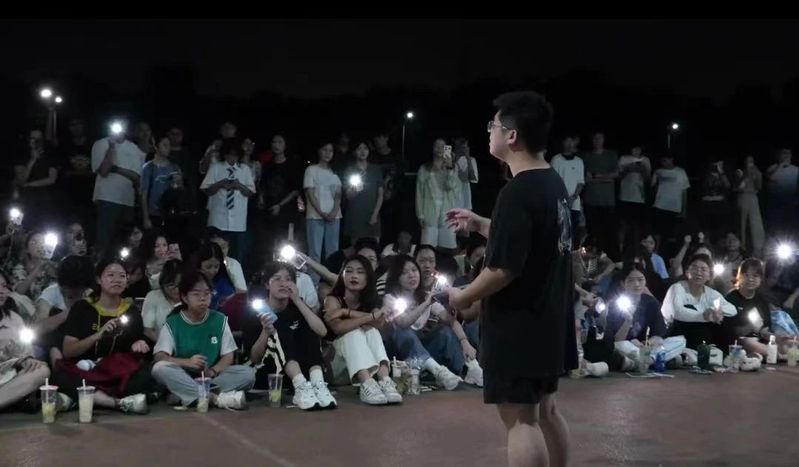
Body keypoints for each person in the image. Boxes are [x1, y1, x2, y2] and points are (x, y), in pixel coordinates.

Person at [447, 91, 575, 467]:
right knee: (547, 410)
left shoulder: (516, 192)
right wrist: (481, 224)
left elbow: (503, 269)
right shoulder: (552, 183)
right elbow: (536, 241)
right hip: (550, 319)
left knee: (520, 419)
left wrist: (463, 297)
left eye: (494, 125)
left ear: (512, 136)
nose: (489, 131)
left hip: (520, 323)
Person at [51, 258, 154, 414]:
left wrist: (138, 346)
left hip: (115, 371)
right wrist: (98, 335)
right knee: (59, 376)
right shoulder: (82, 308)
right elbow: (68, 351)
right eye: (111, 275)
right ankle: (116, 403)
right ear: (99, 279)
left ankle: (79, 399)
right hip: (84, 370)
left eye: (122, 276)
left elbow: (135, 347)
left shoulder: (131, 311)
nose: (117, 280)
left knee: (144, 375)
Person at [152, 270, 252, 410]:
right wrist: (187, 362)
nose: (203, 298)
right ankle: (215, 398)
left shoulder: (219, 319)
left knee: (247, 374)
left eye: (207, 293)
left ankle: (186, 394)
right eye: (196, 294)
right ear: (184, 297)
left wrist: (212, 371)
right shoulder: (173, 322)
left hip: (210, 377)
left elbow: (228, 355)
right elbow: (160, 357)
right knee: (159, 368)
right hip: (183, 374)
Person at [244, 262, 336, 410]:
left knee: (308, 328)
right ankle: (300, 387)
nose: (283, 283)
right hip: (269, 373)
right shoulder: (255, 310)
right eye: (277, 279)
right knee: (280, 327)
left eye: (288, 279)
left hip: (301, 369)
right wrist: (266, 331)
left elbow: (322, 331)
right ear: (267, 285)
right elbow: (254, 358)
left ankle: (318, 384)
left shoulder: (297, 306)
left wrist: (298, 301)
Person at [382, 255, 482, 388]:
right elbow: (403, 322)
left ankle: (469, 368)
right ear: (396, 278)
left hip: (423, 355)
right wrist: (427, 303)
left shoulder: (425, 296)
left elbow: (450, 320)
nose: (411, 275)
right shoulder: (390, 298)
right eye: (404, 273)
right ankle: (437, 371)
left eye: (414, 270)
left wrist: (465, 342)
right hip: (400, 357)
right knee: (403, 331)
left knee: (444, 331)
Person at [323, 255, 403, 405]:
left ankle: (385, 381)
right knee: (353, 333)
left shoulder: (372, 300)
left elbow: (378, 324)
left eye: (360, 272)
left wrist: (346, 312)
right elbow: (338, 327)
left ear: (368, 278)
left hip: (366, 367)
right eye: (349, 271)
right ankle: (367, 385)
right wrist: (370, 317)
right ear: (342, 275)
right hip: (335, 368)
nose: (354, 276)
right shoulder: (332, 299)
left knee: (372, 332)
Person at [91, 121, 146, 257]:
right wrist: (111, 147)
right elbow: (104, 171)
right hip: (106, 198)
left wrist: (116, 169)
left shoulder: (134, 148)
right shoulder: (100, 144)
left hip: (127, 201)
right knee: (104, 240)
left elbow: (138, 177)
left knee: (126, 241)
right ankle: (101, 265)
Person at [0, 268, 51, 411]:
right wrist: (8, 357)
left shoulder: (14, 319)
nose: (1, 291)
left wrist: (26, 359)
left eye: (4, 286)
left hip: (7, 377)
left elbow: (27, 353)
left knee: (41, 370)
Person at [661, 254, 737, 349]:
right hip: (673, 334)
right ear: (687, 272)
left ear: (709, 276)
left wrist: (714, 311)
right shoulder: (676, 288)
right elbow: (677, 312)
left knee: (724, 319)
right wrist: (704, 316)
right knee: (690, 308)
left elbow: (732, 309)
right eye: (694, 268)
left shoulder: (711, 293)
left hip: (701, 335)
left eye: (703, 270)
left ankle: (726, 353)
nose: (698, 272)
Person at [200, 140, 256, 262]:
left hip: (238, 222)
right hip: (218, 220)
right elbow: (206, 190)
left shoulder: (244, 169)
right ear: (225, 155)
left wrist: (239, 185)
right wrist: (220, 184)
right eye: (230, 154)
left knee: (236, 256)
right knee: (215, 254)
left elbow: (250, 193)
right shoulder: (216, 168)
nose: (233, 157)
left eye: (236, 155)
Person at [32, 255, 94, 365]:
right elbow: (37, 329)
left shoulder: (91, 295)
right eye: (71, 287)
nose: (75, 291)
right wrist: (71, 312)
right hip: (53, 345)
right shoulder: (51, 293)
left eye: (79, 288)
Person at [724, 258, 791, 356]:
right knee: (748, 341)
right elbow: (730, 331)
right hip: (738, 343)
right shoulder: (731, 298)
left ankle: (778, 354)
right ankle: (778, 356)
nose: (750, 279)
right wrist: (750, 327)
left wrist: (779, 338)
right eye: (746, 275)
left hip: (760, 341)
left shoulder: (761, 300)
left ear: (760, 279)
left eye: (755, 276)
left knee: (788, 342)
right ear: (739, 276)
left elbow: (765, 330)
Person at [303, 141, 343, 284]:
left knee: (333, 252)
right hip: (315, 216)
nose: (327, 153)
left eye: (330, 151)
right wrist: (321, 212)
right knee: (315, 252)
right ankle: (313, 285)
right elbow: (310, 193)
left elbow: (338, 195)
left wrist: (333, 212)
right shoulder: (311, 169)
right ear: (319, 151)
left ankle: (331, 283)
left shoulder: (335, 171)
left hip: (334, 217)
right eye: (325, 149)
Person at [257, 135, 302, 260]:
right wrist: (261, 197)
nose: (276, 145)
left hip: (287, 212)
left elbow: (295, 190)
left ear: (285, 145)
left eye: (279, 142)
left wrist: (280, 205)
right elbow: (263, 185)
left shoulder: (292, 165)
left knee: (286, 244)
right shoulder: (268, 166)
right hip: (269, 210)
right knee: (268, 244)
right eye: (274, 142)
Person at [416, 139, 460, 253]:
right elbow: (419, 193)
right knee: (428, 247)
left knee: (447, 247)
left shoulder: (453, 167)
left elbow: (450, 185)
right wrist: (420, 215)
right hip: (429, 211)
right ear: (432, 148)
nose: (439, 149)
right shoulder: (424, 168)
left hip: (447, 210)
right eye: (437, 146)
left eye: (443, 146)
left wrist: (449, 168)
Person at [582, 131, 619, 258]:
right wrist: (606, 178)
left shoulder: (611, 155)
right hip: (591, 200)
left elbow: (615, 174)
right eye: (595, 138)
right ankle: (592, 259)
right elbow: (586, 178)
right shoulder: (587, 156)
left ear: (603, 139)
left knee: (610, 231)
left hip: (608, 201)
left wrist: (597, 176)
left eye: (600, 138)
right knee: (593, 232)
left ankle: (612, 259)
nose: (597, 141)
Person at [14, 129, 60, 229]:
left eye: (38, 139)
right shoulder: (22, 156)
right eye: (32, 138)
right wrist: (32, 160)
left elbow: (51, 179)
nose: (35, 141)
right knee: (20, 225)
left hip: (45, 199)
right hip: (25, 199)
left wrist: (30, 184)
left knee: (45, 227)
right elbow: (22, 179)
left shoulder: (50, 155)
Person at [343, 141, 384, 243]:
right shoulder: (349, 170)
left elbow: (380, 194)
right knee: (356, 246)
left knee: (375, 245)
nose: (362, 151)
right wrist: (355, 189)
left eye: (365, 148)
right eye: (359, 148)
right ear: (354, 151)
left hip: (372, 212)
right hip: (356, 213)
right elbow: (348, 196)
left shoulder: (375, 169)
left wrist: (375, 214)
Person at [550, 135, 585, 249]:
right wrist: (563, 197)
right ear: (563, 143)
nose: (570, 144)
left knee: (574, 232)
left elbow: (580, 182)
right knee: (560, 232)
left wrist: (573, 197)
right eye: (567, 142)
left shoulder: (579, 161)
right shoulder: (556, 159)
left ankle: (573, 256)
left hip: (574, 204)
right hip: (559, 202)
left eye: (571, 142)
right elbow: (553, 181)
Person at [140, 136, 183, 231]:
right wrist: (146, 218)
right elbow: (144, 194)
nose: (168, 148)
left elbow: (180, 191)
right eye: (164, 145)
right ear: (156, 146)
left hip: (170, 214)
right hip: (153, 213)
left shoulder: (175, 167)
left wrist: (178, 182)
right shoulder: (148, 167)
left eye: (169, 145)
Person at [59, 118, 95, 226]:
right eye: (73, 125)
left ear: (83, 125)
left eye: (78, 124)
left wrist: (74, 172)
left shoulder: (93, 145)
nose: (76, 127)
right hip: (70, 194)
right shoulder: (65, 146)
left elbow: (95, 171)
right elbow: (63, 171)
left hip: (89, 193)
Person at [617, 145, 651, 252]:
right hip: (625, 196)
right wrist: (628, 169)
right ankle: (620, 249)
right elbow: (618, 176)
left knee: (637, 225)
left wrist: (642, 170)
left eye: (638, 149)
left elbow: (647, 179)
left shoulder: (645, 160)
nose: (636, 151)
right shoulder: (624, 159)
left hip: (639, 198)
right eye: (633, 148)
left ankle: (637, 250)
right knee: (623, 224)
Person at [651, 154, 690, 245]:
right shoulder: (658, 171)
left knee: (671, 235)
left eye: (665, 160)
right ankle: (656, 250)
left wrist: (684, 209)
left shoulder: (680, 172)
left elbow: (684, 191)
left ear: (671, 159)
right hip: (659, 206)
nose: (663, 163)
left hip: (673, 207)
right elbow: (652, 187)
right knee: (657, 232)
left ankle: (669, 251)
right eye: (662, 161)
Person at [142, 259, 182, 342]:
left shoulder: (191, 296)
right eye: (171, 285)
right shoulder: (153, 297)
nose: (177, 289)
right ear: (163, 283)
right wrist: (165, 346)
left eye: (180, 285)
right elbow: (148, 330)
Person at [11, 231, 57, 301]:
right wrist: (38, 266)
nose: (39, 246)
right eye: (34, 242)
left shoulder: (53, 266)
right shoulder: (19, 268)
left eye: (43, 242)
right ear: (27, 249)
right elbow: (19, 291)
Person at [733, 155, 765, 257]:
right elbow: (737, 187)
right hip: (743, 197)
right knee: (742, 223)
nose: (750, 163)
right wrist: (746, 174)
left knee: (756, 223)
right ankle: (742, 247)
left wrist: (757, 174)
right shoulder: (740, 172)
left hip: (753, 197)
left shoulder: (756, 172)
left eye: (751, 161)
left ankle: (758, 249)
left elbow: (759, 186)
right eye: (748, 161)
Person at [766, 148, 799, 235]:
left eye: (788, 153)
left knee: (790, 226)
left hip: (791, 202)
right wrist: (781, 165)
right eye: (784, 153)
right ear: (779, 155)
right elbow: (772, 178)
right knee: (777, 226)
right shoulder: (772, 168)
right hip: (777, 203)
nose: (787, 156)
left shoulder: (796, 169)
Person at [700, 159, 732, 245]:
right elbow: (704, 192)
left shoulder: (724, 175)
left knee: (720, 229)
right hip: (708, 207)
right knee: (708, 229)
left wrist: (721, 172)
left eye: (721, 164)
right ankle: (706, 246)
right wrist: (712, 198)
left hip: (721, 207)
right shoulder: (707, 175)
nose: (719, 166)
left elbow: (728, 186)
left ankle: (719, 245)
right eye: (717, 164)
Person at [206, 227, 248, 292]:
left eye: (223, 247)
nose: (220, 251)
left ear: (228, 247)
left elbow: (242, 291)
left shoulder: (233, 264)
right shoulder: (200, 263)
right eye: (216, 247)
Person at [453, 137, 479, 213]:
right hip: (450, 198)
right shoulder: (450, 159)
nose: (462, 149)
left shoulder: (471, 160)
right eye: (459, 146)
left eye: (464, 147)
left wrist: (467, 157)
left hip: (464, 199)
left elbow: (473, 178)